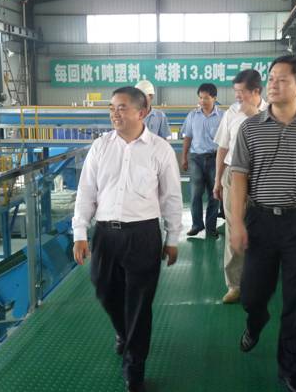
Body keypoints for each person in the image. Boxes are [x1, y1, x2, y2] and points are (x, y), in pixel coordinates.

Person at [230, 55, 296, 392]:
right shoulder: (250, 128)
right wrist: (236, 223)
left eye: (282, 79)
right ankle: (256, 319)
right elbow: (239, 178)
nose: (273, 85)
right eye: (271, 78)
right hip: (259, 220)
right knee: (252, 294)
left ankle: (290, 368)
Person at [72, 86, 182, 392]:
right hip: (105, 234)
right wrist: (80, 232)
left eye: (121, 107)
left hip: (143, 235)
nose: (114, 113)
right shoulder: (100, 147)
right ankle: (123, 331)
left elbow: (171, 197)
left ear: (141, 112)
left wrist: (173, 237)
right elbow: (86, 192)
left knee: (139, 303)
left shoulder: (160, 149)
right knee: (104, 290)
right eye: (111, 108)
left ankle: (134, 368)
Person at [213, 69, 268, 304]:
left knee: (262, 230)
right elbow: (223, 148)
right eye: (235, 91)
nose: (237, 96)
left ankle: (259, 281)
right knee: (234, 228)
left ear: (256, 91)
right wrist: (217, 179)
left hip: (263, 179)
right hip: (233, 175)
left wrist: (255, 115)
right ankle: (234, 285)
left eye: (241, 92)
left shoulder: (272, 113)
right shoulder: (231, 113)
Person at [181, 83, 224, 238]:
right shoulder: (192, 116)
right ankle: (197, 224)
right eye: (200, 98)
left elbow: (226, 141)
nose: (202, 101)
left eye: (206, 98)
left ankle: (211, 227)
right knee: (195, 193)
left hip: (214, 158)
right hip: (196, 159)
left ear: (214, 98)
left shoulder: (223, 117)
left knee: (214, 193)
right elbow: (188, 137)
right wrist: (184, 157)